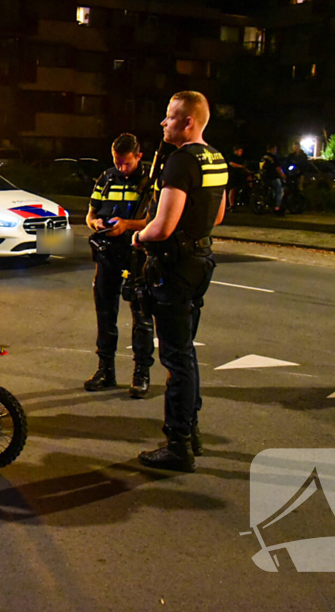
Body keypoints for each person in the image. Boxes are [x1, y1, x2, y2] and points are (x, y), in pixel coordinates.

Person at [136, 91, 227, 473]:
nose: (163, 123)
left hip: (174, 266)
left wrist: (136, 237)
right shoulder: (216, 159)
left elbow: (162, 226)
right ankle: (191, 431)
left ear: (188, 122)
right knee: (186, 351)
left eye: (170, 117)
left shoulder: (179, 162)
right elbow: (218, 215)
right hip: (201, 261)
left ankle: (178, 445)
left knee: (175, 356)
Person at [83, 133, 156, 399]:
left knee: (141, 316)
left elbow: (155, 220)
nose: (122, 168)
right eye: (117, 162)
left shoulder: (151, 182)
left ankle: (141, 374)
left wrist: (126, 225)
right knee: (105, 313)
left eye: (127, 163)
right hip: (108, 255)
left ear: (139, 156)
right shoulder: (106, 178)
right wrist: (97, 224)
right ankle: (106, 370)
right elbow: (90, 214)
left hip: (137, 255)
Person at [259, 144, 285, 214]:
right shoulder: (273, 157)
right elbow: (277, 168)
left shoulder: (263, 157)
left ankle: (270, 204)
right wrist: (283, 175)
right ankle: (277, 207)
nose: (275, 151)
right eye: (275, 149)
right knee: (280, 191)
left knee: (272, 191)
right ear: (272, 149)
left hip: (264, 177)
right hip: (273, 177)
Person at [226, 144, 250, 210]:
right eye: (239, 151)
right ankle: (231, 205)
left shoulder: (241, 159)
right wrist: (241, 166)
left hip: (240, 176)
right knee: (232, 190)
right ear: (235, 151)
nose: (241, 153)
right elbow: (231, 164)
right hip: (233, 175)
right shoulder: (231, 156)